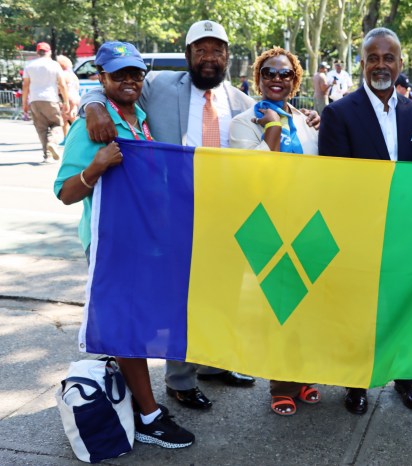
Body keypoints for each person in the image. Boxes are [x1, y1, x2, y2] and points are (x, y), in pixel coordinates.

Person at [80, 20, 259, 411]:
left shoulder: (243, 103)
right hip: (173, 213)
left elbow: (280, 120)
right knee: (183, 296)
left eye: (217, 50)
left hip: (228, 215)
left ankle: (213, 363)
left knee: (223, 294)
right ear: (188, 54)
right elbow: (109, 86)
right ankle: (180, 380)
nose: (209, 58)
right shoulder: (160, 84)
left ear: (228, 56)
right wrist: (92, 105)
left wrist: (308, 118)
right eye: (201, 50)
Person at [54, 41, 194, 449]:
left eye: (135, 73)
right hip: (112, 247)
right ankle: (149, 415)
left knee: (137, 326)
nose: (129, 81)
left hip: (145, 244)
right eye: (119, 75)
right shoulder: (92, 126)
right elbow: (64, 192)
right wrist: (95, 168)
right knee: (125, 328)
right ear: (102, 79)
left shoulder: (140, 118)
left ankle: (133, 400)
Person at [318, 27, 412, 415]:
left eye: (389, 57)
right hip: (358, 234)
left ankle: (406, 377)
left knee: (406, 308)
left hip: (406, 236)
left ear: (401, 63)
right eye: (373, 58)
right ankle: (356, 382)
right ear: (362, 63)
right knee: (358, 310)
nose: (381, 64)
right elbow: (335, 183)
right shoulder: (338, 113)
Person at [229, 47, 320, 416]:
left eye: (285, 74)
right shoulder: (241, 123)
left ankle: (306, 373)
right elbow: (255, 177)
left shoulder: (306, 120)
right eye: (270, 73)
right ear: (259, 78)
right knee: (280, 306)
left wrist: (310, 123)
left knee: (310, 304)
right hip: (267, 225)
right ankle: (281, 384)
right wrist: (272, 127)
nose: (277, 80)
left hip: (308, 222)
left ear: (295, 80)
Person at [22, 42, 69, 162]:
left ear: (38, 52)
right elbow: (62, 85)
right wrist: (66, 101)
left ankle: (46, 155)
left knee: (41, 128)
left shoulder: (29, 66)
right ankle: (53, 142)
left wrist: (24, 103)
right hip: (51, 99)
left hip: (35, 100)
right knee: (57, 124)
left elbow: (26, 86)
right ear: (49, 52)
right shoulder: (54, 65)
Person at [56, 55, 80, 135]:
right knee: (73, 117)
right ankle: (77, 135)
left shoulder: (62, 75)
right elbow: (77, 87)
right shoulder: (73, 75)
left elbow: (61, 88)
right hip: (75, 97)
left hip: (67, 97)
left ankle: (66, 138)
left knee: (65, 120)